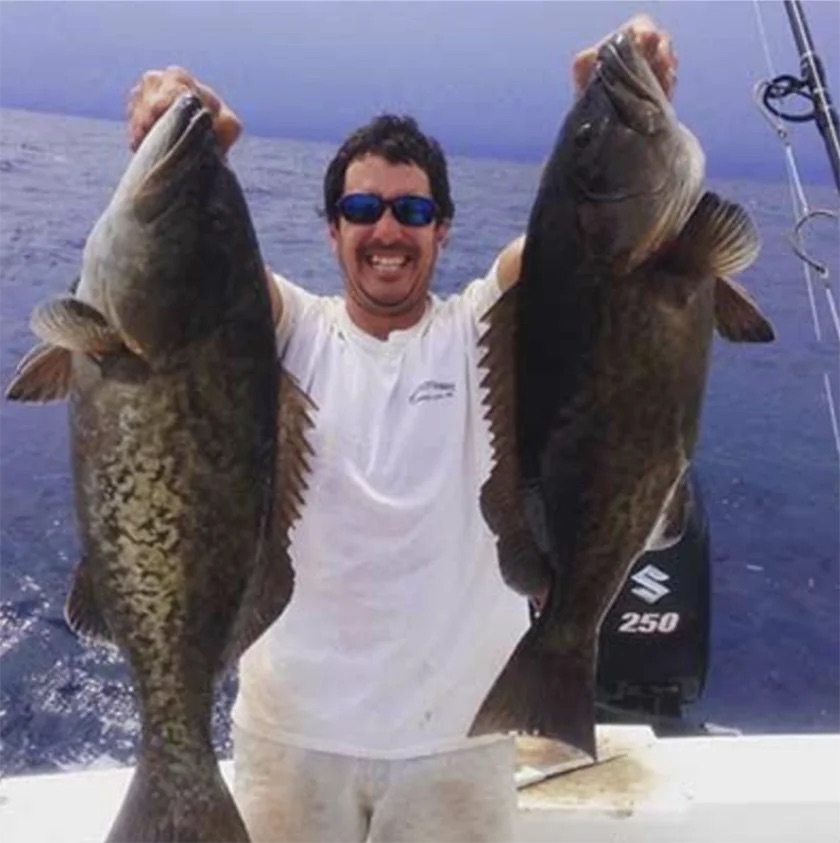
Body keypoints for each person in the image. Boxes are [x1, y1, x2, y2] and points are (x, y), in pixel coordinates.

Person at [127, 14, 678, 843]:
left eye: (412, 209)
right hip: (288, 738)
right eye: (362, 207)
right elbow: (183, 273)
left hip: (458, 741)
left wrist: (611, 120)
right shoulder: (284, 329)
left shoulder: (480, 325)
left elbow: (596, 244)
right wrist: (178, 134)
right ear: (333, 230)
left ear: (442, 229)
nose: (387, 229)